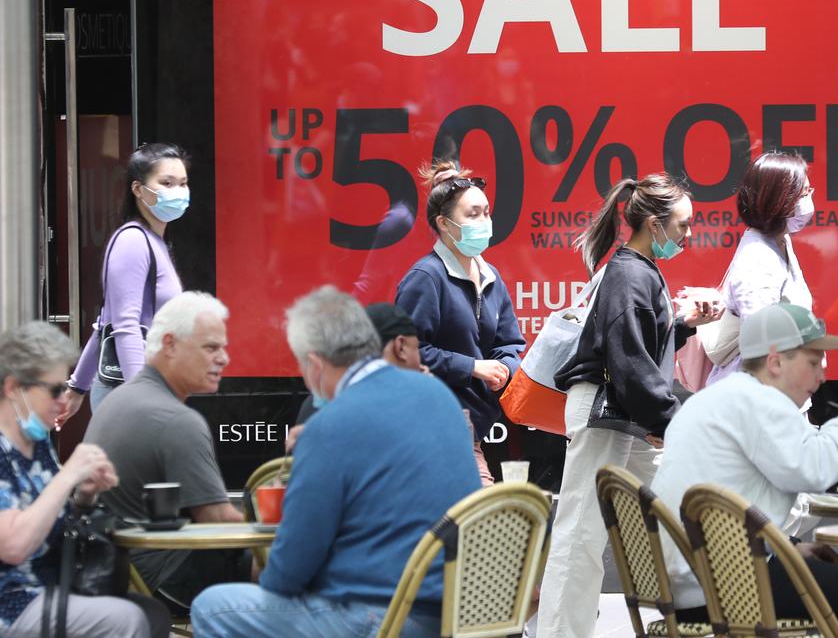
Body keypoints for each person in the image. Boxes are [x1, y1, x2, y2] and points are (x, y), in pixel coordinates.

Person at [190, 286, 481, 637]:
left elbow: (289, 571)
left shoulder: (328, 426)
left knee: (212, 606)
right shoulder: (439, 396)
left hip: (380, 619)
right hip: (459, 614)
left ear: (313, 364)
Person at [536, 173, 720, 637]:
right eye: (683, 224)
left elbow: (637, 352)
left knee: (677, 514)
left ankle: (701, 618)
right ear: (654, 225)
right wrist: (670, 420)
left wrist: (681, 326)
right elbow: (629, 361)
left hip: (622, 415)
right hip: (606, 415)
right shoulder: (629, 273)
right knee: (581, 536)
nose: (689, 234)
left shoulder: (635, 270)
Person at [653, 303, 838, 635]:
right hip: (727, 587)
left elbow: (731, 504)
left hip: (686, 586)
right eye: (813, 362)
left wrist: (786, 546)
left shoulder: (711, 401)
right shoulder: (761, 402)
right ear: (775, 362)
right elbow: (814, 468)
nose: (822, 375)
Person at [0, 322, 169, 637]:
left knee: (153, 613)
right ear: (13, 388)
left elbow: (47, 521)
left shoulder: (32, 444)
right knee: (125, 619)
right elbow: (13, 546)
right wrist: (68, 477)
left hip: (36, 591)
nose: (65, 399)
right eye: (54, 389)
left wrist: (83, 497)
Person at [83, 291, 249, 613]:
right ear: (170, 345)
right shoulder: (177, 420)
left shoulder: (120, 397)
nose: (224, 358)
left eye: (223, 347)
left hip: (120, 572)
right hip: (164, 579)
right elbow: (218, 522)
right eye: (211, 347)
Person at [395, 161, 526, 485]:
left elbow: (510, 343)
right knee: (482, 521)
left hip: (472, 427)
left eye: (486, 212)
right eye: (472, 214)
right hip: (432, 427)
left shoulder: (490, 276)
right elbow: (404, 353)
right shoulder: (426, 278)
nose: (484, 222)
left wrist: (505, 368)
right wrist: (472, 367)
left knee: (467, 526)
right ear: (444, 223)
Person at [64, 143, 192, 418]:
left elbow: (105, 326)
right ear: (137, 189)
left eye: (183, 183)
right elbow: (124, 326)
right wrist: (143, 396)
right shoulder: (133, 241)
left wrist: (78, 387)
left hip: (149, 386)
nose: (179, 192)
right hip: (133, 393)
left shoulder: (154, 242)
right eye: (167, 183)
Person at [708, 150, 816, 384]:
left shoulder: (780, 242)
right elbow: (760, 349)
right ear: (781, 200)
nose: (809, 201)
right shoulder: (758, 259)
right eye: (805, 193)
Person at [286, 301, 427, 450]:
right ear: (400, 347)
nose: (420, 364)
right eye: (416, 348)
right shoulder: (412, 402)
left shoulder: (317, 403)